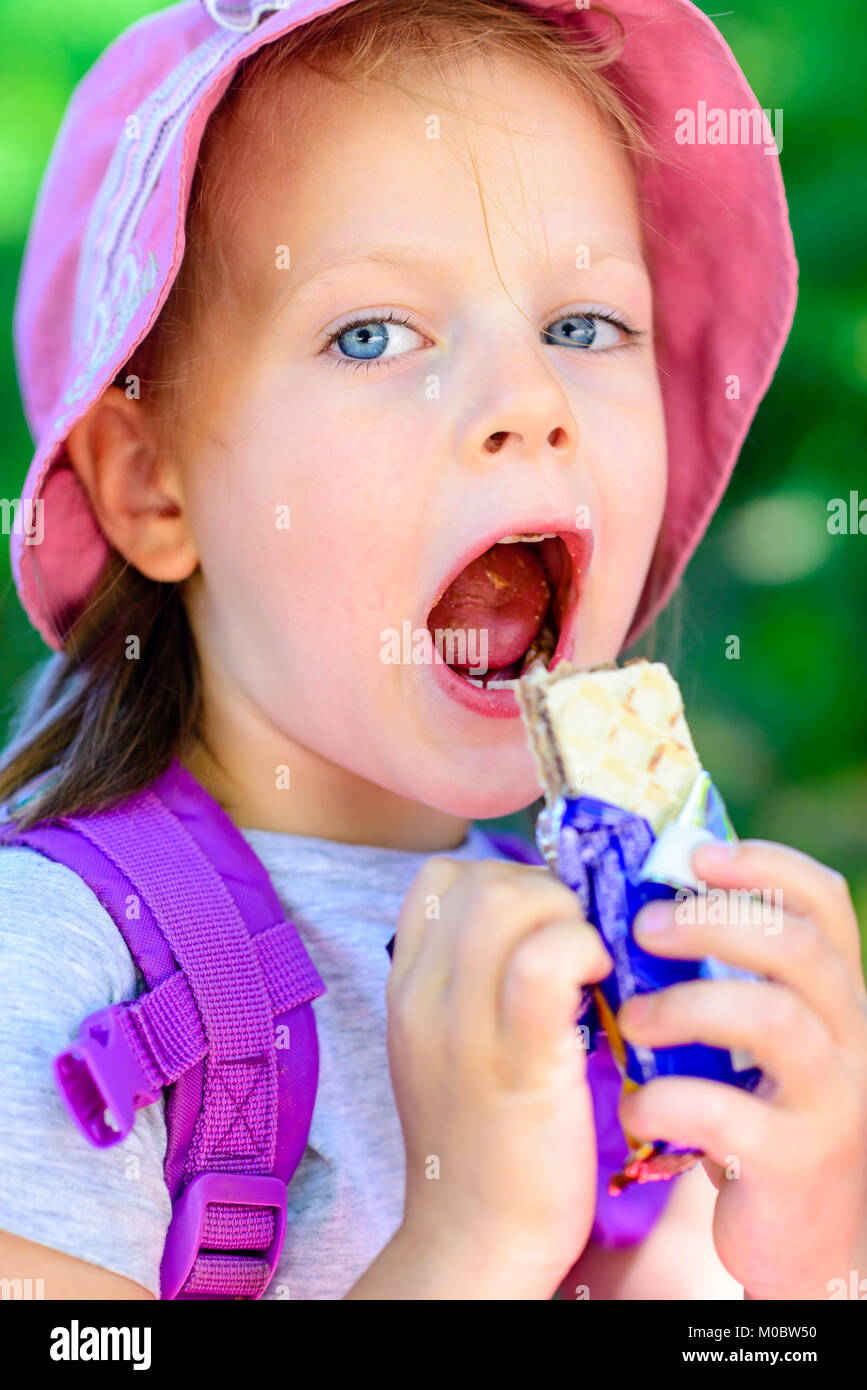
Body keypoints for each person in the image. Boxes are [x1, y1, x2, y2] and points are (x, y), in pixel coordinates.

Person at [0, 0, 864, 1300]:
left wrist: (804, 1253)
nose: (532, 401)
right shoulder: (55, 972)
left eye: (584, 327)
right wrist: (466, 1248)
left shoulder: (619, 972)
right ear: (152, 487)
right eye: (373, 334)